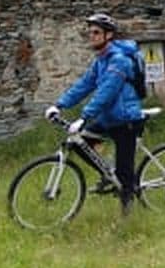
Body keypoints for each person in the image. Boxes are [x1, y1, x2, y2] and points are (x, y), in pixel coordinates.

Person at [44, 13, 144, 214]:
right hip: (108, 120)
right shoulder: (100, 61)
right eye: (89, 32)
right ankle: (108, 175)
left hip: (126, 120)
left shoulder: (120, 61)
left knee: (125, 177)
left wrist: (84, 117)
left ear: (108, 35)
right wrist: (59, 105)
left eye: (96, 32)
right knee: (79, 144)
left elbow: (107, 92)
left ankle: (128, 213)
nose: (91, 36)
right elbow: (84, 85)